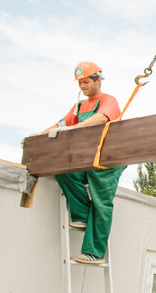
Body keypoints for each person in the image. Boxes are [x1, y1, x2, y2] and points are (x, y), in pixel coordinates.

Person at [40, 61, 125, 265]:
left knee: (101, 200)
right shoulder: (79, 107)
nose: (82, 86)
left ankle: (94, 253)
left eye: (86, 81)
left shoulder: (108, 101)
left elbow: (102, 117)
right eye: (80, 83)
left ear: (98, 80)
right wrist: (39, 135)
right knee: (63, 170)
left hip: (108, 160)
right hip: (88, 158)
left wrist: (75, 128)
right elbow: (61, 123)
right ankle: (82, 215)